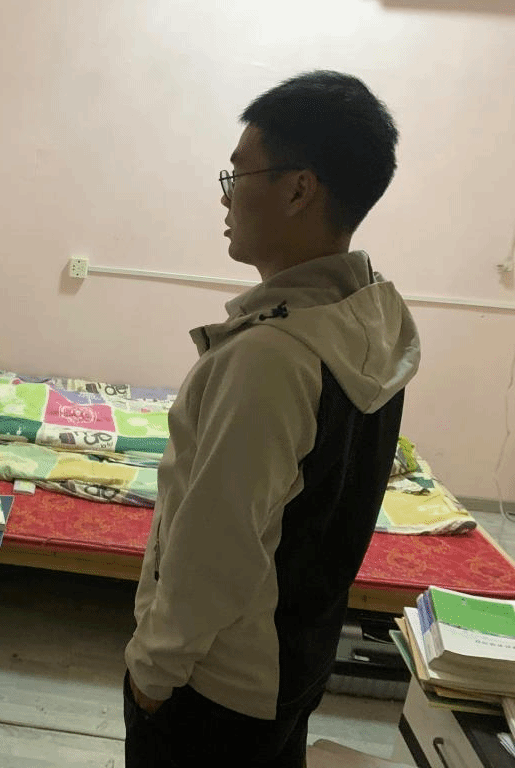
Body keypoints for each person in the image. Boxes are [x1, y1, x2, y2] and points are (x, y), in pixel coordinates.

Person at [123, 70, 420, 767]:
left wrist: (154, 672)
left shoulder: (271, 357)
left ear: (298, 189)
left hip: (215, 687)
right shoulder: (374, 313)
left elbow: (215, 547)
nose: (225, 196)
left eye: (238, 175)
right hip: (295, 661)